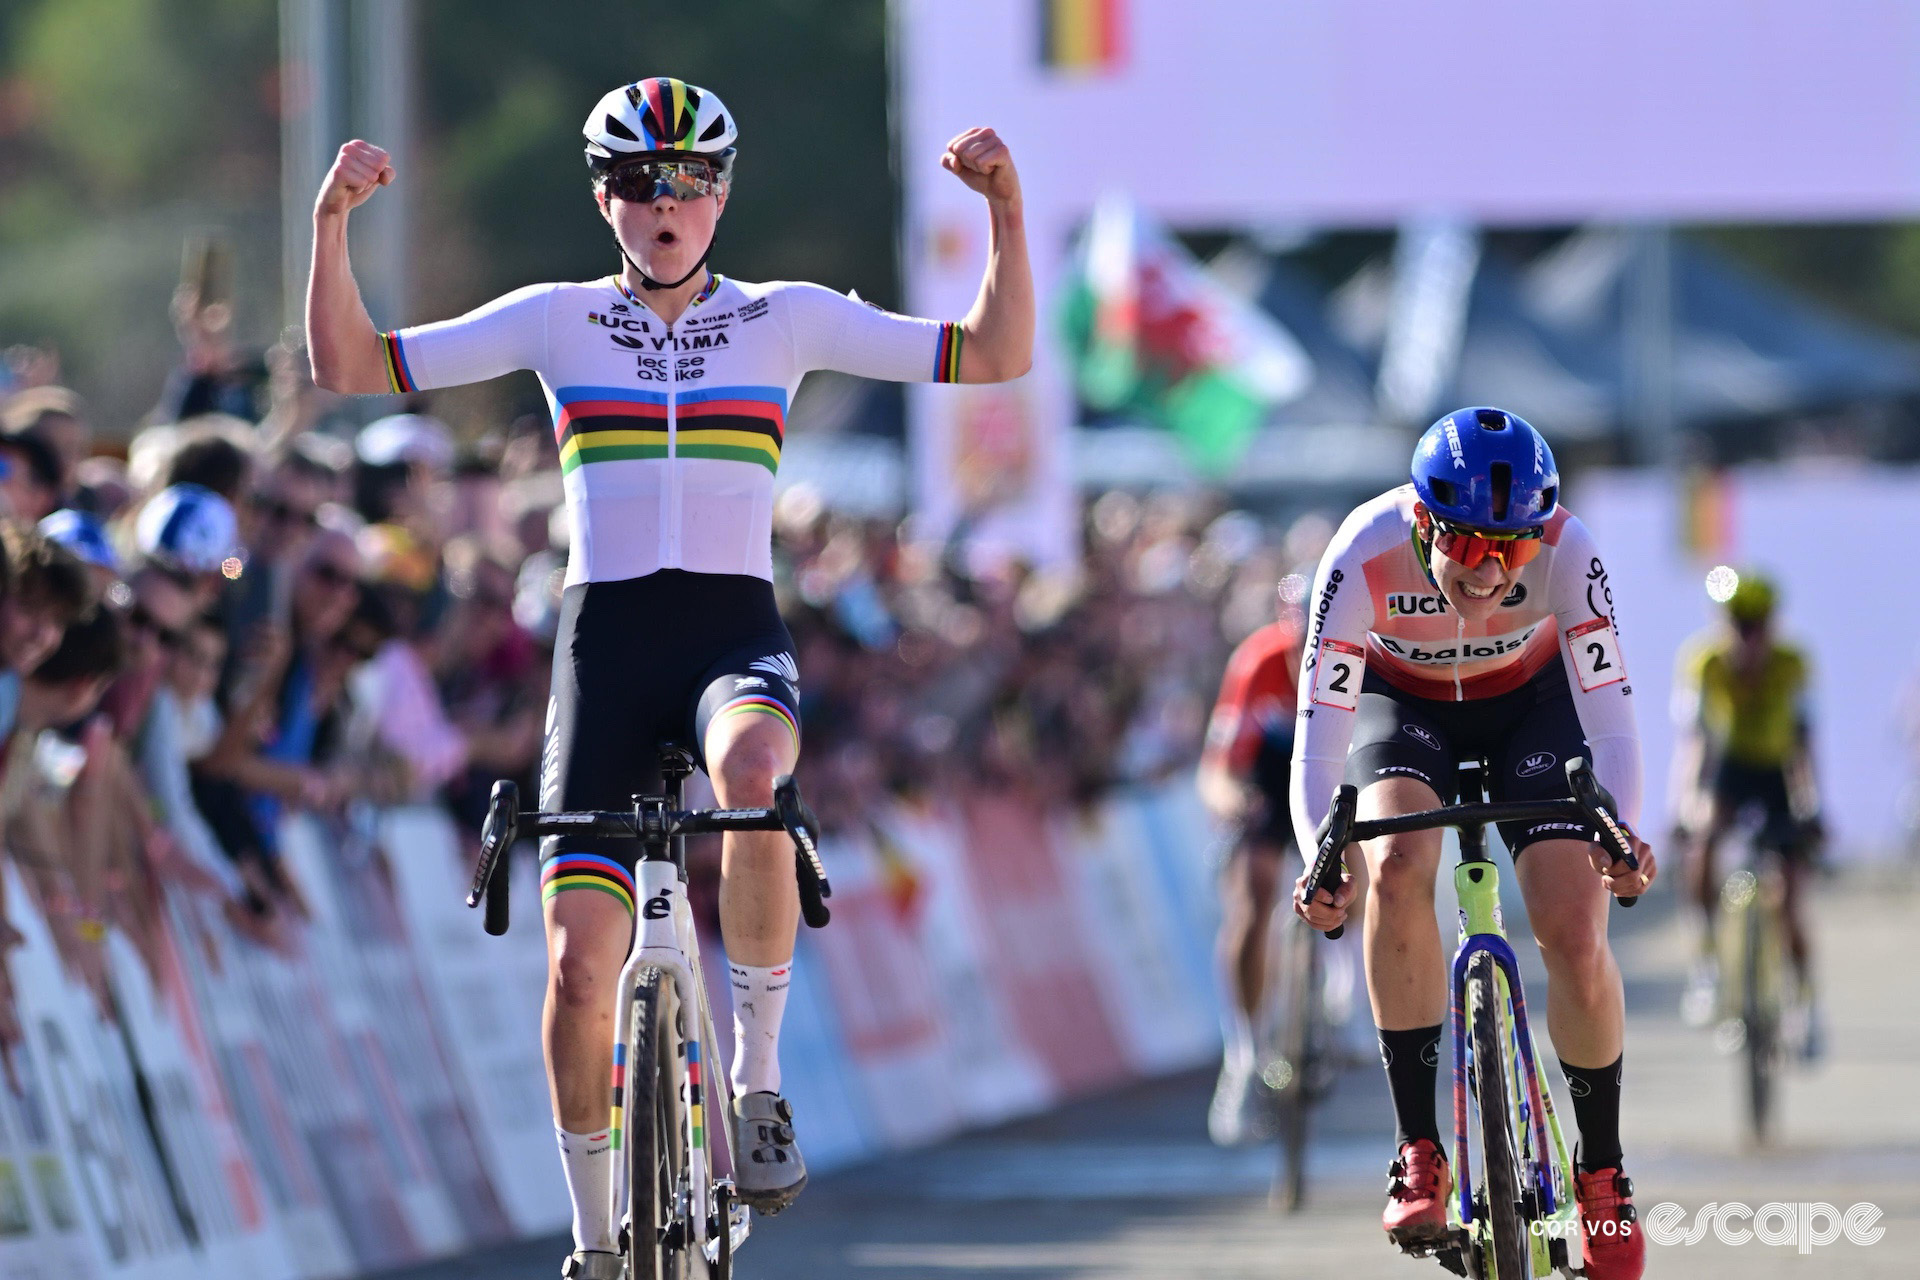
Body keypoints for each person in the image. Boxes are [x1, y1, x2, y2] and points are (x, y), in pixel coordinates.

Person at [305, 76, 1032, 1277]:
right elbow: (347, 365)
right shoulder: (556, 320)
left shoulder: (785, 318)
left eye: (689, 181)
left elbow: (994, 352)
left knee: (752, 775)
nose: (666, 204)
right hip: (603, 650)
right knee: (580, 964)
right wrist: (330, 225)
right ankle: (595, 1236)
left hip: (729, 632)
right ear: (604, 199)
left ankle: (753, 1076)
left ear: (722, 194)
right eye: (641, 183)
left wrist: (1005, 210)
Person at [1290, 407, 1655, 1280]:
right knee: (1396, 864)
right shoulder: (1360, 549)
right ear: (1423, 522)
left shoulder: (1573, 551)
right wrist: (1320, 852)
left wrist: (1624, 833)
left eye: (1515, 549)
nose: (1493, 571)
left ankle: (1602, 1175)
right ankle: (1420, 1149)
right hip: (1404, 707)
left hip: (1533, 706)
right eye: (1471, 545)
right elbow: (1319, 737)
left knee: (1574, 925)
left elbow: (1613, 723)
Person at [1670, 570, 1822, 1052]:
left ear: (1772, 625)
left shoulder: (1792, 664)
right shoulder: (1705, 662)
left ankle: (1805, 1004)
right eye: (1738, 623)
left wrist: (1812, 807)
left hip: (1777, 773)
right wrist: (1686, 803)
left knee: (1793, 897)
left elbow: (1804, 745)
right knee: (1702, 844)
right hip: (1730, 770)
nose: (1747, 635)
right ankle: (1708, 967)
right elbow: (1695, 741)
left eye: (1756, 624)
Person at [1198, 604, 1306, 1145]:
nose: (1300, 659)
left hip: (1333, 766)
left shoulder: (1363, 655)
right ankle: (1244, 1053)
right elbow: (1216, 771)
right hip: (1268, 773)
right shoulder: (1257, 660)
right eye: (1295, 646)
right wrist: (1234, 804)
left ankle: (1345, 998)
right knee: (1253, 887)